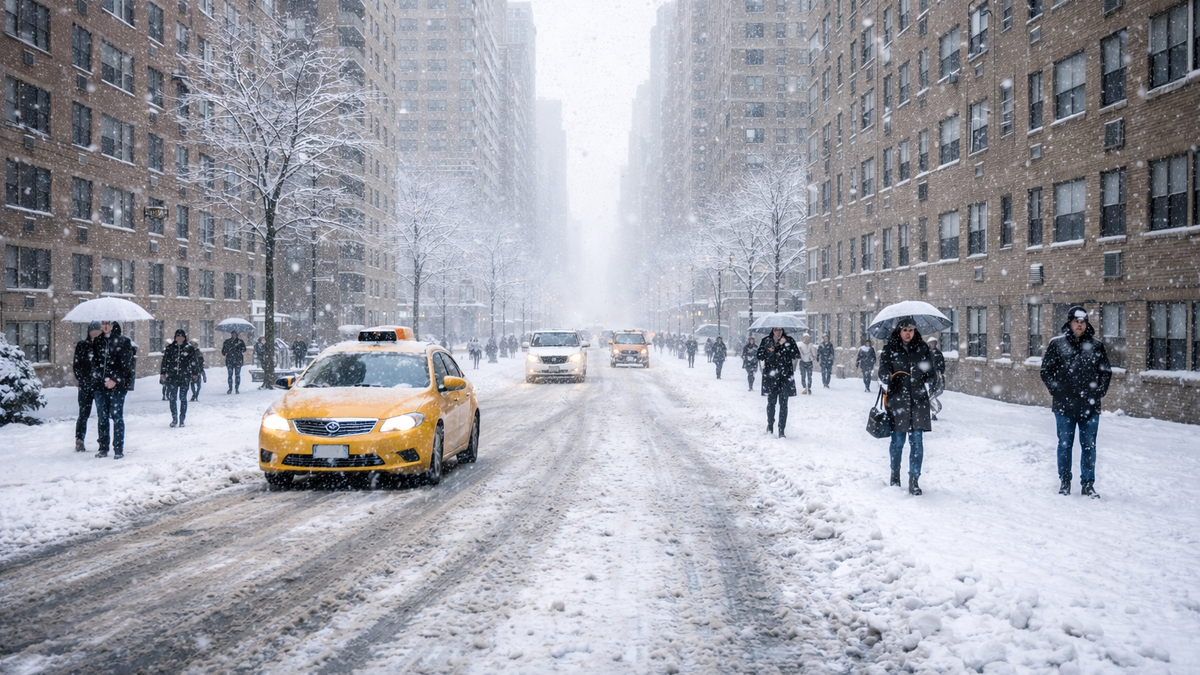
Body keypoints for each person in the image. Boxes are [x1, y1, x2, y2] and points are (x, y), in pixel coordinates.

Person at [1039, 306, 1112, 499]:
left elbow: (1105, 372)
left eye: (1082, 321)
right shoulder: (1057, 344)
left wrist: (1098, 393)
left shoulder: (1096, 346)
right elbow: (1045, 371)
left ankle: (1088, 484)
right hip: (1064, 406)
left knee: (1089, 446)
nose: (1079, 325)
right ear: (1070, 323)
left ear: (1086, 324)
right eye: (1076, 321)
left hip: (1090, 406)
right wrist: (1057, 390)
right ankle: (1065, 481)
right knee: (1065, 445)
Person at [878, 317, 937, 495]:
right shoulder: (890, 349)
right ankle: (895, 475)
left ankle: (914, 480)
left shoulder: (922, 348)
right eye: (905, 330)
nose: (908, 333)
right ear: (899, 331)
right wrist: (887, 375)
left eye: (911, 330)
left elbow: (931, 373)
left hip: (918, 401)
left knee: (917, 442)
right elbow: (882, 370)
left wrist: (926, 376)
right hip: (898, 401)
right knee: (897, 442)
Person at [93, 320, 135, 459]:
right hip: (100, 385)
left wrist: (114, 379)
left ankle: (118, 448)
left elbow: (126, 364)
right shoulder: (97, 341)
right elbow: (94, 363)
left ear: (113, 325)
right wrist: (99, 378)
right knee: (102, 417)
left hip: (117, 387)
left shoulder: (123, 342)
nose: (105, 326)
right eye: (103, 323)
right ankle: (103, 447)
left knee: (117, 417)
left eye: (108, 323)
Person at [756, 327, 800, 437]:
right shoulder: (766, 341)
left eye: (780, 329)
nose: (778, 332)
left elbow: (796, 355)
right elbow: (760, 355)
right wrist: (772, 351)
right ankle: (770, 425)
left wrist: (784, 346)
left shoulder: (789, 340)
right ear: (772, 331)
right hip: (771, 377)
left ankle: (782, 430)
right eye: (776, 330)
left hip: (785, 377)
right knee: (771, 403)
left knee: (784, 405)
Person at [72, 321, 103, 452]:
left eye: (98, 332)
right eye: (93, 331)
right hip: (85, 384)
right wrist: (79, 378)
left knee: (102, 415)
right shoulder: (82, 345)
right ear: (89, 332)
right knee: (83, 414)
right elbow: (76, 363)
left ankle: (103, 441)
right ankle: (79, 439)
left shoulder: (103, 346)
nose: (95, 334)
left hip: (100, 385)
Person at [160, 329, 199, 428]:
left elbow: (194, 361)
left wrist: (194, 373)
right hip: (172, 376)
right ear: (175, 337)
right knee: (172, 397)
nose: (180, 338)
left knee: (183, 398)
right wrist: (163, 373)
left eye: (181, 336)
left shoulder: (188, 348)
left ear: (184, 337)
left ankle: (182, 418)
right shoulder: (170, 348)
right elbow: (165, 361)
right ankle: (174, 418)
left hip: (184, 376)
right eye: (178, 336)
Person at [926, 336, 947, 420]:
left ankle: (934, 410)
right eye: (931, 343)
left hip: (937, 375)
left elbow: (942, 364)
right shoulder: (928, 353)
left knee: (936, 392)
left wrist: (940, 370)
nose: (933, 345)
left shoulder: (938, 353)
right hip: (930, 377)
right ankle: (933, 411)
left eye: (934, 343)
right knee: (931, 394)